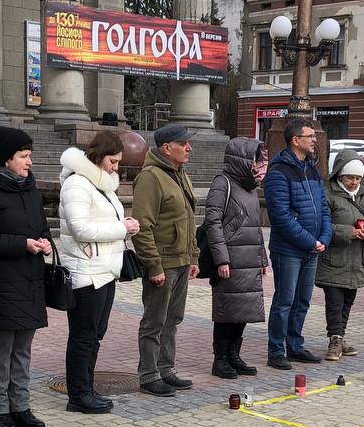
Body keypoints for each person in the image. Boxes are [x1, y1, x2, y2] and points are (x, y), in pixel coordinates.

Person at [0, 126, 51, 427]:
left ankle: (21, 406)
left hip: (29, 279)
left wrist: (43, 241)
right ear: (6, 159)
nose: (29, 162)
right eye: (23, 156)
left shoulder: (29, 187)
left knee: (24, 349)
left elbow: (41, 226)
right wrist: (22, 244)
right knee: (2, 349)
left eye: (29, 155)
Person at [57, 131, 140, 413]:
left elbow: (105, 221)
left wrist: (125, 223)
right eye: (113, 161)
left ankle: (86, 389)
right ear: (97, 156)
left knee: (95, 334)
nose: (116, 167)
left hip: (105, 270)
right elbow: (81, 229)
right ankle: (78, 395)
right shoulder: (77, 184)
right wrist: (121, 229)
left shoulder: (102, 185)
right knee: (83, 336)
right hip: (86, 272)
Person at [131, 123, 198, 397]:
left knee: (173, 318)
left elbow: (189, 219)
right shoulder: (151, 177)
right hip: (163, 263)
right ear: (166, 148)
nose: (189, 148)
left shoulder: (180, 174)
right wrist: (154, 265)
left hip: (180, 261)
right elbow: (141, 226)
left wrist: (192, 256)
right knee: (154, 320)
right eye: (184, 144)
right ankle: (148, 375)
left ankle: (166, 369)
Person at [263, 117, 332, 369]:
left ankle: (295, 346)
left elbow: (323, 207)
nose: (315, 140)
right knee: (285, 300)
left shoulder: (312, 168)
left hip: (312, 248)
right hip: (289, 251)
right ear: (295, 140)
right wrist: (309, 242)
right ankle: (276, 350)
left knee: (302, 300)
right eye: (310, 136)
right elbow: (280, 217)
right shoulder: (279, 171)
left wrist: (323, 238)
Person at [203, 138, 269, 379]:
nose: (258, 165)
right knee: (226, 310)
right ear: (241, 159)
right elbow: (213, 222)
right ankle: (220, 359)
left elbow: (256, 227)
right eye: (254, 159)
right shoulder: (223, 183)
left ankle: (234, 355)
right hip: (230, 260)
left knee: (243, 310)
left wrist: (262, 258)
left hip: (248, 259)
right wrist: (221, 259)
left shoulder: (250, 188)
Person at [317, 152, 364, 360]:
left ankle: (340, 336)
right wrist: (349, 232)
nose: (354, 182)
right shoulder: (328, 194)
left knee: (347, 302)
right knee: (335, 302)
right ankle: (334, 339)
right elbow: (322, 225)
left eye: (358, 178)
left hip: (357, 260)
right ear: (340, 176)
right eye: (350, 178)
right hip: (334, 260)